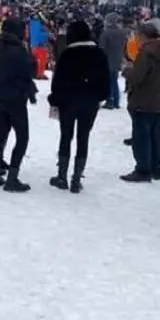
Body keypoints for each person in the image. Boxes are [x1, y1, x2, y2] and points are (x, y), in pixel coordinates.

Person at [47, 21, 110, 193]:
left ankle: (61, 176)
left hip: (68, 102)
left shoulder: (68, 54)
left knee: (66, 136)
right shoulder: (99, 54)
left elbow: (58, 81)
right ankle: (76, 178)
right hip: (90, 103)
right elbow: (106, 82)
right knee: (84, 137)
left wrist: (54, 100)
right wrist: (100, 96)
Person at [0, 17, 37, 192]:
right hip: (15, 99)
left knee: (0, 131)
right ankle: (12, 178)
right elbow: (28, 73)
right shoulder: (18, 51)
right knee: (22, 136)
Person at [120, 23, 160, 183]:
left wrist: (127, 70)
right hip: (159, 99)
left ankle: (143, 169)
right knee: (155, 136)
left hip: (142, 99)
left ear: (143, 36)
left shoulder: (145, 54)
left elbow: (138, 77)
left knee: (141, 136)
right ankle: (156, 169)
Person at [98, 12, 127, 109]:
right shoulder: (122, 33)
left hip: (107, 60)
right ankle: (116, 100)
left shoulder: (106, 33)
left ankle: (109, 100)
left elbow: (102, 48)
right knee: (114, 80)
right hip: (117, 59)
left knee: (108, 81)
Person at [28, 14, 50, 79]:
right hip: (38, 45)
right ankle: (39, 74)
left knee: (40, 60)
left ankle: (39, 73)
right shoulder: (36, 24)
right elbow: (37, 35)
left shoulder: (35, 24)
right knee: (41, 60)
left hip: (37, 45)